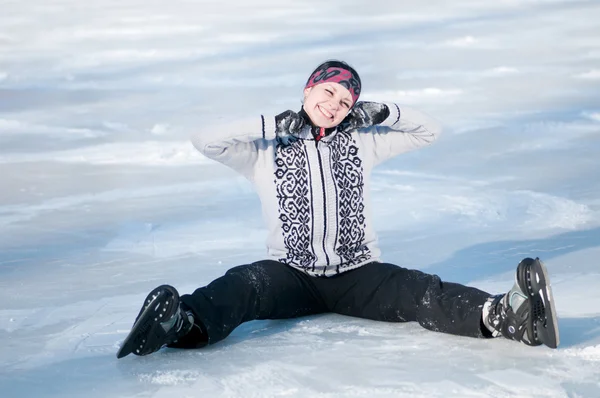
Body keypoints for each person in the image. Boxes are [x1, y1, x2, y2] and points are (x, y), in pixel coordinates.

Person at [116, 60, 559, 359]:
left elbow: (430, 131)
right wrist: (270, 124)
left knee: (419, 291)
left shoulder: (362, 142)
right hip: (290, 274)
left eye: (345, 101)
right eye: (327, 92)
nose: (333, 104)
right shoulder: (265, 150)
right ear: (309, 90)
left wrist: (384, 112)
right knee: (243, 285)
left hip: (358, 274)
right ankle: (181, 324)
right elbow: (204, 139)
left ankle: (503, 316)